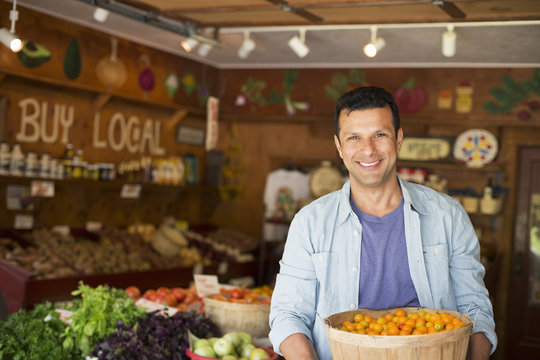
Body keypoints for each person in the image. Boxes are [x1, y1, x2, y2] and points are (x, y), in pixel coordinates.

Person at [268, 86, 496, 360]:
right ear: (339, 146)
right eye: (354, 137)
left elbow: (475, 309)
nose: (368, 150)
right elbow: (288, 315)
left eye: (380, 135)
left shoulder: (447, 215)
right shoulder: (310, 223)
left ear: (398, 139)